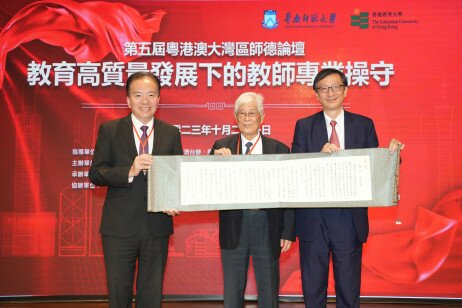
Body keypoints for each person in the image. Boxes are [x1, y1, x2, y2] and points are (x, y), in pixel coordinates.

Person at [291, 68, 404, 308]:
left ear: (345, 90)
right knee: (313, 291)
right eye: (323, 88)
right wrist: (317, 157)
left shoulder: (363, 125)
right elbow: (295, 171)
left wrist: (392, 155)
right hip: (314, 221)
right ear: (316, 94)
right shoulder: (304, 126)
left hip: (348, 221)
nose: (330, 92)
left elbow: (376, 169)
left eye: (335, 87)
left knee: (348, 290)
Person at [89, 72, 182, 308]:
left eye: (151, 95)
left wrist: (174, 200)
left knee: (151, 296)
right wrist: (128, 171)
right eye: (138, 95)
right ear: (128, 100)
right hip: (118, 228)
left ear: (159, 99)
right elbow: (96, 173)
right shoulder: (110, 130)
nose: (145, 101)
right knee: (119, 294)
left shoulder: (171, 133)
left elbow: (176, 175)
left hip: (157, 226)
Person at [210, 92, 296, 307]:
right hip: (234, 225)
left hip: (267, 224)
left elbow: (290, 194)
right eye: (242, 114)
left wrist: (287, 231)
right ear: (235, 117)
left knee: (268, 290)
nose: (247, 118)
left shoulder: (280, 149)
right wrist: (215, 164)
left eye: (252, 113)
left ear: (262, 117)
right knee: (232, 290)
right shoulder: (222, 147)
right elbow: (209, 186)